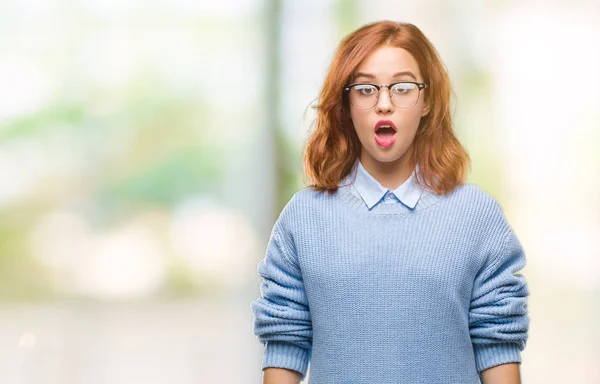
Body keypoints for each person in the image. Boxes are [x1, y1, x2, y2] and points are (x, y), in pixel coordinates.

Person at [250, 20, 529, 384]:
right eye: (365, 89)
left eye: (402, 87)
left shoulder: (477, 217)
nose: (384, 104)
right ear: (347, 103)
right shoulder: (302, 220)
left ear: (426, 100)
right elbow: (285, 344)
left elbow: (498, 344)